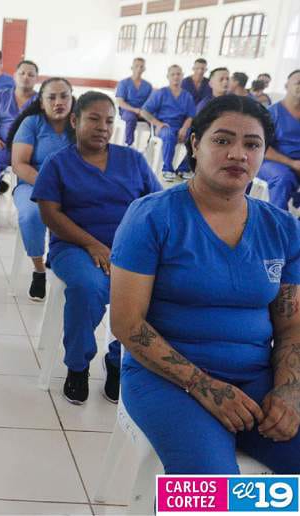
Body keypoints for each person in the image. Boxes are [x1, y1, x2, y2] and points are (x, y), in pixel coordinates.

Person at [111, 95, 300, 474]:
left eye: (252, 144)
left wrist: (288, 390)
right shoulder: (152, 217)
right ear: (195, 144)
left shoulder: (282, 228)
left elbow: (292, 324)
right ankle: (200, 500)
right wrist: (203, 386)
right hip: (167, 380)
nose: (238, 154)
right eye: (222, 140)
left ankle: (262, 501)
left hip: (256, 377)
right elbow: (127, 324)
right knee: (210, 491)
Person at [32, 91, 161, 404]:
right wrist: (92, 245)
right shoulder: (58, 163)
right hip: (74, 246)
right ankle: (78, 365)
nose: (103, 127)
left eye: (109, 121)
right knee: (87, 287)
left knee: (161, 286)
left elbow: (156, 204)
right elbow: (50, 214)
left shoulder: (132, 160)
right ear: (74, 121)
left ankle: (118, 360)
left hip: (129, 248)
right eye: (94, 119)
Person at [9, 78, 75, 301]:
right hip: (31, 185)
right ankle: (39, 270)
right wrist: (50, 188)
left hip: (70, 188)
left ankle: (65, 264)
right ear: (41, 102)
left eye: (64, 96)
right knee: (31, 214)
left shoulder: (79, 124)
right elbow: (19, 164)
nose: (59, 102)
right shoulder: (32, 123)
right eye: (52, 97)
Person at [0, 60, 39, 175]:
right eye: (22, 73)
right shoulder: (0, 96)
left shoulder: (41, 101)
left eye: (31, 75)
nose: (26, 77)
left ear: (36, 79)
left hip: (31, 150)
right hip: (2, 147)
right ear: (14, 76)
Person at [141, 64, 196, 181]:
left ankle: (183, 168)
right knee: (168, 134)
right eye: (173, 74)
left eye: (178, 74)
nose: (176, 77)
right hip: (164, 127)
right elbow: (144, 112)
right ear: (168, 76)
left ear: (182, 76)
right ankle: (167, 169)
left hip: (180, 127)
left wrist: (184, 128)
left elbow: (190, 116)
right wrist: (158, 124)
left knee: (196, 137)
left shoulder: (187, 96)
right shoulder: (161, 93)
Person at [256, 70, 300, 210]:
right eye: (299, 83)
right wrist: (293, 163)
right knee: (283, 178)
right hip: (272, 162)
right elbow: (261, 147)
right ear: (287, 85)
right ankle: (276, 220)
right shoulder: (271, 113)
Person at [115, 57, 153, 146]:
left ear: (144, 69)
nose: (139, 69)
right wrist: (135, 110)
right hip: (127, 111)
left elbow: (150, 103)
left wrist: (143, 111)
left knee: (156, 118)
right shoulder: (123, 83)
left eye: (141, 67)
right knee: (131, 118)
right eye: (136, 66)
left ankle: (151, 143)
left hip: (142, 112)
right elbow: (120, 102)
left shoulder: (148, 86)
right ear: (132, 67)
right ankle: (129, 144)